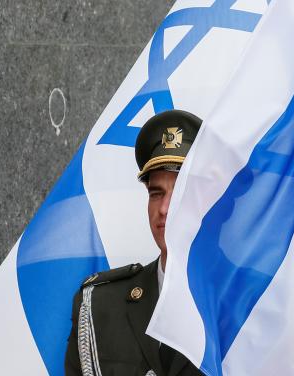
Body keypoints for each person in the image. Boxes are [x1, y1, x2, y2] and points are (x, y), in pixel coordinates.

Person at [65, 110, 204, 376]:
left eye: (179, 192)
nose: (163, 208)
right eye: (156, 193)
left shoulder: (248, 305)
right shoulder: (100, 304)